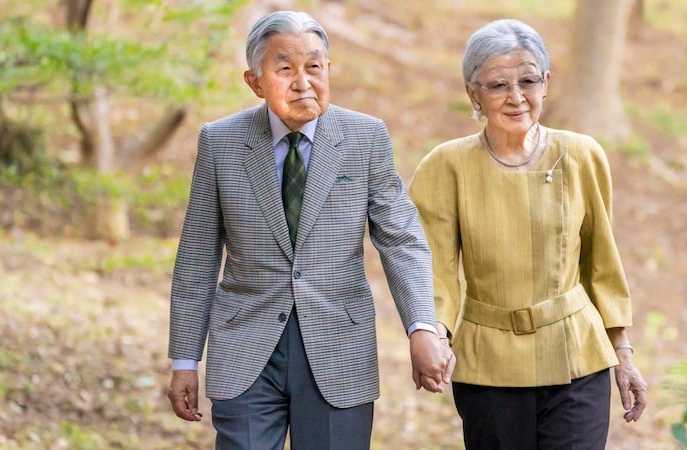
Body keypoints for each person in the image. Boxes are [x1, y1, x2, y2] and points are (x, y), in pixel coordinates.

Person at [166, 10, 454, 450]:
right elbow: (198, 256)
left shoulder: (365, 138)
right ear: (255, 81)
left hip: (339, 346)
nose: (303, 82)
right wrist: (185, 358)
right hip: (245, 346)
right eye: (285, 69)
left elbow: (401, 238)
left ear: (328, 70)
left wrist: (422, 328)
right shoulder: (220, 142)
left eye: (314, 67)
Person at [408, 19, 648, 449]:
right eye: (499, 85)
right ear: (473, 93)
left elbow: (602, 264)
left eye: (528, 80)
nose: (516, 97)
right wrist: (432, 335)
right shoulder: (445, 167)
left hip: (577, 357)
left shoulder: (581, 155)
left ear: (546, 83)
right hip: (490, 368)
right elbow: (435, 271)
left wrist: (624, 355)